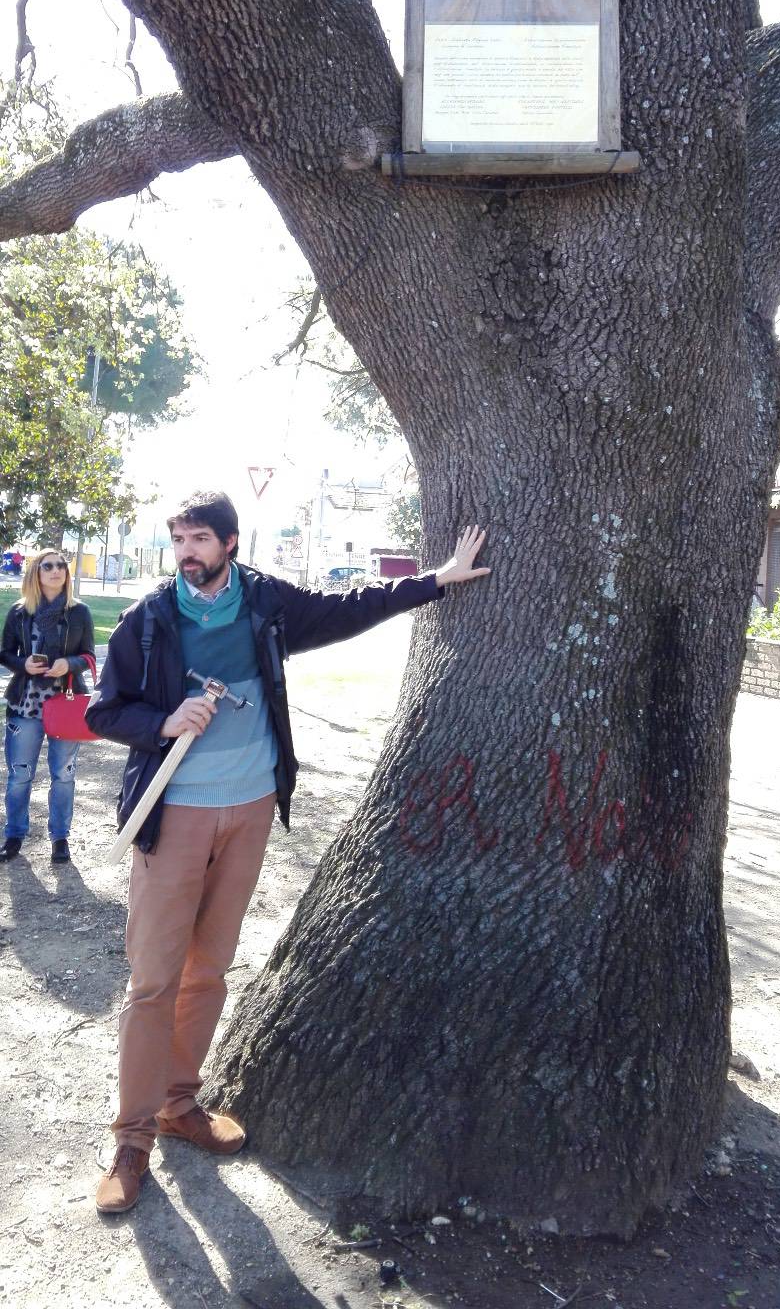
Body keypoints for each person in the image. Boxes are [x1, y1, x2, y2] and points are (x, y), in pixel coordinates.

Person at [86, 489, 490, 1215]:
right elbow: (102, 709)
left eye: (201, 538)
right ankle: (131, 1140)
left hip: (249, 813)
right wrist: (164, 719)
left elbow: (351, 607)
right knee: (153, 981)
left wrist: (436, 579)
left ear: (231, 544)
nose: (187, 552)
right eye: (179, 538)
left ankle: (181, 1104)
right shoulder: (150, 620)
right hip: (172, 818)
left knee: (207, 971)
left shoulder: (266, 604)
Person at [0, 549, 96, 863]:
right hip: (25, 706)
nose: (56, 570)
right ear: (36, 573)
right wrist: (23, 664)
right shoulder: (18, 612)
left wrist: (67, 664)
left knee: (64, 775)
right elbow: (5, 654)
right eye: (48, 566)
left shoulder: (79, 611)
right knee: (20, 774)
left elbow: (89, 656)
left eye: (61, 566)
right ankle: (14, 834)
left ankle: (60, 838)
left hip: (64, 706)